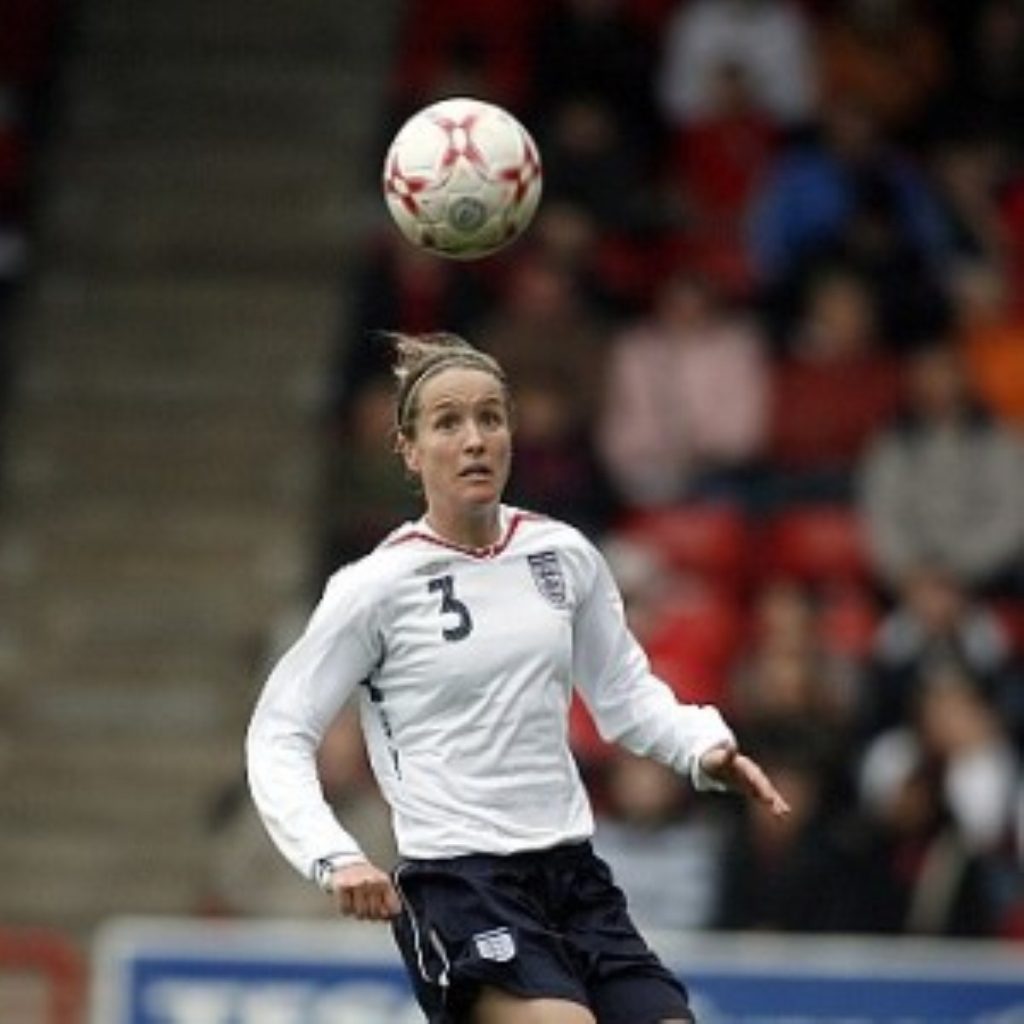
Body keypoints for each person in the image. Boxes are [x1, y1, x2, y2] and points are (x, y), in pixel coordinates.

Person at [246, 332, 790, 1024]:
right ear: (410, 451)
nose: (474, 439)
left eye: (490, 418)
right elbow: (279, 732)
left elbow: (623, 694)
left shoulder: (562, 557)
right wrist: (332, 856)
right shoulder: (375, 587)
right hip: (460, 885)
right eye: (448, 423)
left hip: (572, 875)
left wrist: (701, 747)